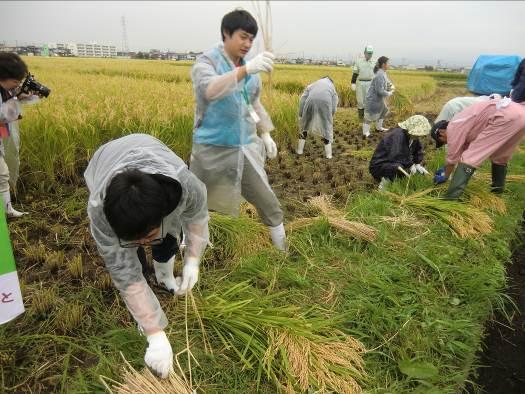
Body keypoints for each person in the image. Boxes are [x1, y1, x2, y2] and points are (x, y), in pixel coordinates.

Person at [84, 133, 209, 379]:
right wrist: (155, 334)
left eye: (147, 235)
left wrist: (193, 258)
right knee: (132, 261)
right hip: (106, 159)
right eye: (135, 239)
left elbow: (196, 218)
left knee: (168, 236)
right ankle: (145, 305)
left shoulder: (185, 186)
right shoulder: (100, 211)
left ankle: (164, 278)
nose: (143, 241)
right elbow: (123, 270)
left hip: (155, 158)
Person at [189, 9, 286, 251]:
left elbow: (253, 103)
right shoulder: (207, 62)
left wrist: (265, 132)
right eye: (243, 36)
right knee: (196, 204)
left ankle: (283, 253)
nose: (248, 43)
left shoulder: (251, 71)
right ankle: (194, 251)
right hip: (210, 149)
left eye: (252, 39)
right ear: (226, 33)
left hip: (244, 148)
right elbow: (209, 90)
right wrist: (246, 70)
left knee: (268, 202)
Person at [431, 84, 525, 199]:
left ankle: (450, 198)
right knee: (500, 156)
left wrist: (445, 175)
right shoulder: (462, 123)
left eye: (441, 141)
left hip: (505, 116)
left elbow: (453, 157)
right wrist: (447, 168)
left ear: (441, 132)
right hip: (520, 113)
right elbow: (463, 148)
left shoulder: (453, 126)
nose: (445, 143)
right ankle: (497, 192)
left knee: (470, 157)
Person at [0, 53, 40, 217]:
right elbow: (3, 115)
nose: (17, 84)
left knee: (2, 175)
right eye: (15, 81)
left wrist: (20, 97)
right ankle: (6, 211)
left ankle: (7, 210)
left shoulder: (4, 90)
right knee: (1, 174)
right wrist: (16, 99)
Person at [369, 115, 431, 189]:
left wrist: (417, 164)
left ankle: (396, 177)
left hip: (394, 162)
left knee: (403, 169)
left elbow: (417, 150)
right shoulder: (397, 136)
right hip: (380, 166)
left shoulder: (412, 137)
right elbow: (397, 156)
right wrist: (410, 165)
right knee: (397, 167)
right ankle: (384, 183)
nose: (419, 136)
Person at [296, 77, 339, 159]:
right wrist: (330, 115)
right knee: (327, 128)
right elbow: (334, 103)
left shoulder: (313, 84)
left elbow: (302, 99)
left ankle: (299, 151)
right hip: (326, 103)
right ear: (331, 81)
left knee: (304, 126)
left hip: (310, 101)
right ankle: (329, 155)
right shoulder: (332, 87)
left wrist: (301, 114)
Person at [363, 56, 394, 138]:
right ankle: (365, 132)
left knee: (384, 110)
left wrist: (391, 86)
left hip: (378, 99)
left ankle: (378, 127)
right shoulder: (380, 75)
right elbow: (379, 91)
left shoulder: (383, 72)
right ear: (384, 64)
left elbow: (387, 82)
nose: (389, 65)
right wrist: (389, 93)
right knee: (369, 115)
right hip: (373, 99)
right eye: (388, 63)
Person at [434, 94, 502, 123]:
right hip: (454, 108)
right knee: (449, 131)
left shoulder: (484, 99)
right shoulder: (487, 105)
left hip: (453, 105)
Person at [351, 45, 375, 120]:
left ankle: (368, 117)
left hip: (370, 83)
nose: (369, 55)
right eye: (368, 53)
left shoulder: (374, 62)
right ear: (364, 53)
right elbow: (355, 73)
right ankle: (361, 117)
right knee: (360, 101)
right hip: (360, 83)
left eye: (371, 53)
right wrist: (353, 83)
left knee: (369, 101)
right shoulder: (358, 61)